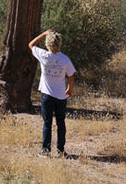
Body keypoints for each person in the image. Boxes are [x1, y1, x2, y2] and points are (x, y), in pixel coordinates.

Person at [28, 28, 76, 156]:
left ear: (48, 44)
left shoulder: (43, 55)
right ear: (59, 43)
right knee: (61, 123)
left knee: (47, 123)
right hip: (61, 96)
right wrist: (69, 89)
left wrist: (44, 34)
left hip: (47, 96)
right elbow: (71, 76)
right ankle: (61, 151)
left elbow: (31, 44)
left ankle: (46, 150)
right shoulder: (65, 59)